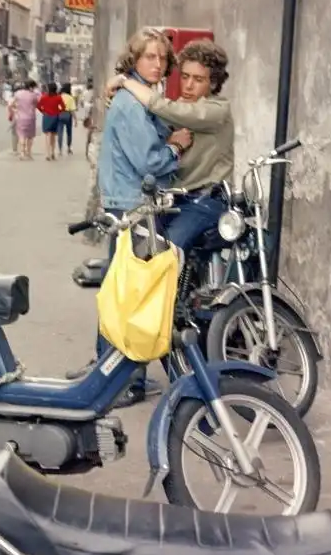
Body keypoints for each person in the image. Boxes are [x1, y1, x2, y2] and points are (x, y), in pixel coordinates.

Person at [95, 28, 191, 407]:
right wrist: (176, 147)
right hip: (134, 204)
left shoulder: (137, 96)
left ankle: (106, 371)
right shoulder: (132, 105)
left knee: (120, 287)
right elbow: (149, 161)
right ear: (134, 59)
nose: (157, 64)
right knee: (133, 293)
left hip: (128, 201)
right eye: (150, 56)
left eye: (163, 58)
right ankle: (124, 380)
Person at [109, 38, 232, 251]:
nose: (189, 85)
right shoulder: (181, 106)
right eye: (184, 76)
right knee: (137, 243)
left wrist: (125, 81)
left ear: (213, 83)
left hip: (206, 199)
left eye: (198, 79)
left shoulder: (216, 110)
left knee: (165, 252)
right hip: (175, 199)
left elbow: (164, 108)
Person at [12, 79, 40, 159]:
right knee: (30, 136)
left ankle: (22, 153)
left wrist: (16, 110)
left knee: (21, 136)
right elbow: (37, 104)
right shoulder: (33, 95)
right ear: (31, 87)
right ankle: (29, 153)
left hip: (20, 118)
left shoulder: (18, 93)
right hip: (31, 117)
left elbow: (12, 104)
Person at [37, 82, 65, 160]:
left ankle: (48, 154)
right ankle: (53, 152)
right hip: (55, 117)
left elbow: (38, 106)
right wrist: (58, 112)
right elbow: (63, 107)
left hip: (46, 117)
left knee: (47, 135)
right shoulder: (58, 97)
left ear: (48, 89)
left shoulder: (44, 97)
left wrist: (43, 111)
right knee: (53, 135)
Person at [58, 82, 76, 155]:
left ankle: (60, 150)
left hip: (59, 114)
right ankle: (68, 148)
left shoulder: (59, 96)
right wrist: (75, 119)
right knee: (69, 132)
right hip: (68, 115)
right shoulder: (70, 97)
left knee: (60, 133)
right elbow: (72, 110)